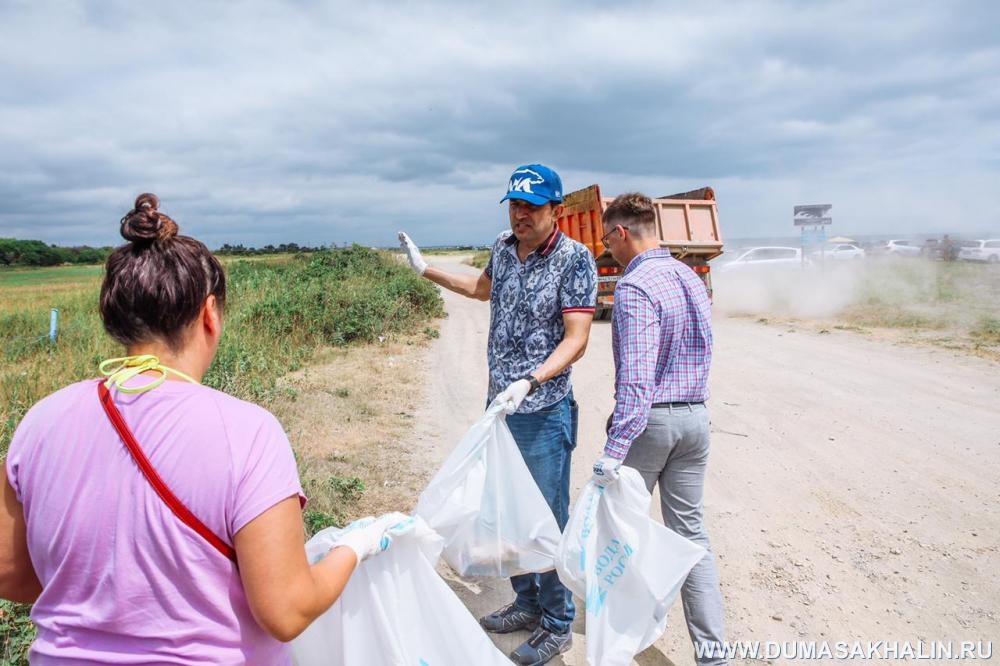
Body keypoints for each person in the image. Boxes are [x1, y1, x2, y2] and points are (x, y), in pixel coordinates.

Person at [0, 193, 401, 664]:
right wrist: (355, 547)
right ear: (209, 313)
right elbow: (287, 611)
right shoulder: (248, 432)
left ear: (116, 318)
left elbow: (11, 574)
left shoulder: (41, 420)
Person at [398, 163, 596, 665]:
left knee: (544, 517)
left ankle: (556, 623)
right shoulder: (503, 249)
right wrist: (427, 270)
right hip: (500, 409)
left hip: (542, 410)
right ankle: (525, 603)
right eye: (514, 205)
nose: (521, 214)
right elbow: (480, 290)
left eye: (531, 206)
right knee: (507, 510)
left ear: (556, 209)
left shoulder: (574, 259)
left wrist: (531, 380)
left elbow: (577, 339)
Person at [590, 192, 729, 666]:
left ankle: (618, 643)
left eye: (608, 238)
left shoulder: (635, 286)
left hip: (652, 424)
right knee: (692, 536)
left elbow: (636, 376)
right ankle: (713, 654)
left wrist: (614, 448)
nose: (607, 247)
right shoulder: (690, 276)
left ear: (623, 233)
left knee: (620, 536)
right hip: (696, 419)